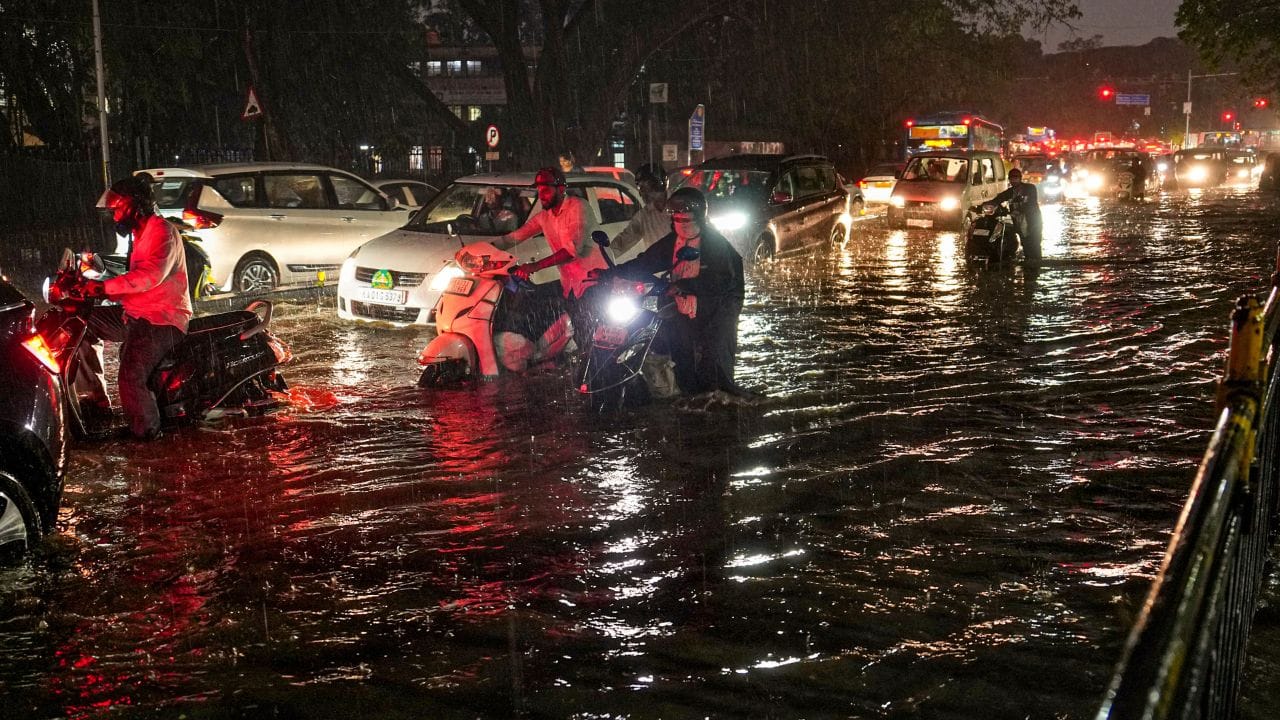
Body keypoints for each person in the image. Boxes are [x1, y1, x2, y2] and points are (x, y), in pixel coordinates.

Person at [590, 187, 747, 396]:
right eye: (677, 220)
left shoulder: (716, 245)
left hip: (719, 305)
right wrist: (609, 274)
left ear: (700, 218)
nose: (681, 225)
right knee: (680, 351)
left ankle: (724, 401)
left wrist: (685, 286)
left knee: (716, 361)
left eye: (686, 220)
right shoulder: (671, 242)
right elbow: (644, 263)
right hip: (681, 301)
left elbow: (722, 281)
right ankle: (685, 396)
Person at [79, 174, 192, 440]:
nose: (115, 215)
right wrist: (96, 270)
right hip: (134, 314)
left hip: (161, 319)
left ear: (134, 205)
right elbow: (131, 270)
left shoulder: (163, 232)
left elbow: (151, 274)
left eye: (118, 208)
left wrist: (104, 288)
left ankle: (146, 436)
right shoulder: (138, 235)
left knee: (130, 376)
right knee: (83, 322)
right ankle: (96, 402)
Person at [496, 167, 607, 348]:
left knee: (597, 332)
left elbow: (573, 251)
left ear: (561, 189)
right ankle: (584, 369)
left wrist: (534, 266)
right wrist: (483, 250)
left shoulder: (578, 207)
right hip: (570, 284)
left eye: (546, 190)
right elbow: (514, 237)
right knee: (581, 333)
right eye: (539, 191)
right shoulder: (545, 217)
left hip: (594, 280)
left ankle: (601, 371)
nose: (542, 195)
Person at [609, 164, 670, 256]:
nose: (643, 193)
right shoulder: (644, 216)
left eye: (647, 187)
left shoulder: (679, 207)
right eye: (640, 188)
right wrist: (605, 257)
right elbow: (623, 241)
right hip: (657, 267)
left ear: (659, 185)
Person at [991, 167, 1042, 261]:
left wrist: (1019, 208)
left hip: (1032, 221)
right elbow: (998, 198)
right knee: (1024, 243)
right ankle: (1027, 263)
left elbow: (1031, 203)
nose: (1014, 180)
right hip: (1019, 221)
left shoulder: (1030, 188)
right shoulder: (1010, 192)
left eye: (1016, 178)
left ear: (1020, 178)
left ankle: (1036, 263)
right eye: (1012, 178)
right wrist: (987, 205)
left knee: (1034, 243)